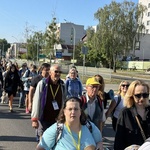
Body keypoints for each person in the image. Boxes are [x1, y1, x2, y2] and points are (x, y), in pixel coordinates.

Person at [36, 97, 103, 150]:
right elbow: (40, 148)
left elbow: (99, 142)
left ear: (80, 111)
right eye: (70, 109)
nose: (73, 112)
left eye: (76, 109)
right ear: (64, 111)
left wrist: (99, 145)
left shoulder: (90, 126)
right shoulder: (56, 130)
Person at [31, 64, 66, 139]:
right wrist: (34, 119)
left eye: (60, 72)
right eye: (56, 71)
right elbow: (36, 101)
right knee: (42, 141)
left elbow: (65, 102)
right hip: (44, 119)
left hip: (57, 120)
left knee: (55, 141)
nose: (58, 74)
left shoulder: (62, 85)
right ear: (50, 72)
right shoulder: (43, 83)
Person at [114, 80, 150, 150]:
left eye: (145, 95)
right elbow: (119, 140)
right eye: (138, 96)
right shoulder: (125, 113)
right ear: (131, 95)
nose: (142, 98)